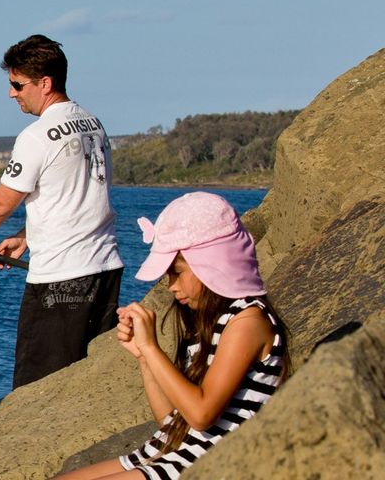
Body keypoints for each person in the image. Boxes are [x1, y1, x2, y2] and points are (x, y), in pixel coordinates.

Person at [0, 34, 125, 388]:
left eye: (17, 84)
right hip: (106, 269)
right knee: (88, 384)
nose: (12, 93)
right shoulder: (93, 124)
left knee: (37, 391)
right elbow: (81, 197)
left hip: (60, 279)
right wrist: (26, 237)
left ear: (45, 83)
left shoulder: (36, 136)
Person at [55, 192, 289, 480]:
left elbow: (202, 414)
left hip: (213, 464)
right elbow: (172, 421)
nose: (171, 286)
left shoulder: (248, 322)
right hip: (178, 450)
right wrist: (143, 357)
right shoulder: (212, 322)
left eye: (177, 272)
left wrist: (153, 348)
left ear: (213, 266)